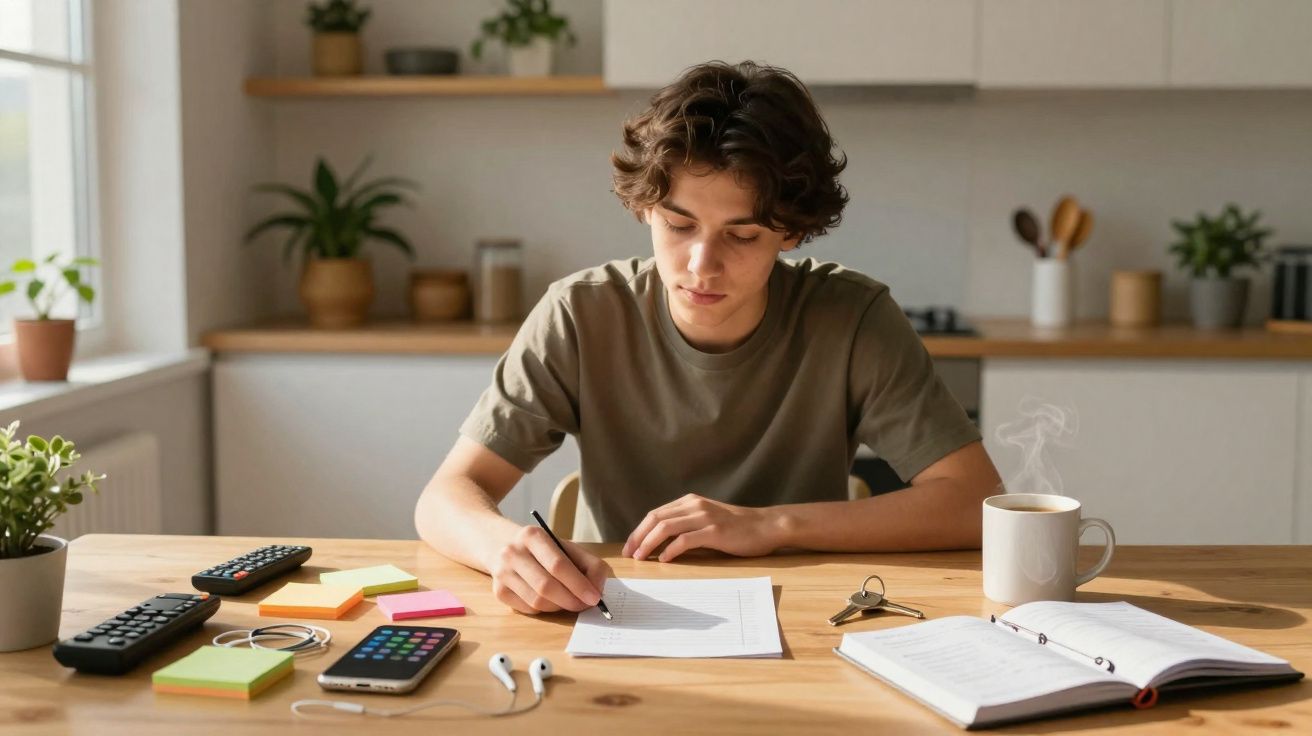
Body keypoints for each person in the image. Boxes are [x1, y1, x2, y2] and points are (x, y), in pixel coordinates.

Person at [415, 61, 1003, 616]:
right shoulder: (580, 313)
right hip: (612, 608)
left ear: (791, 232)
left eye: (741, 235)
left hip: (804, 612)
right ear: (645, 208)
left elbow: (975, 502)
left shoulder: (852, 318)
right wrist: (504, 548)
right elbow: (446, 495)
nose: (701, 264)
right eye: (678, 225)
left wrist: (771, 526)